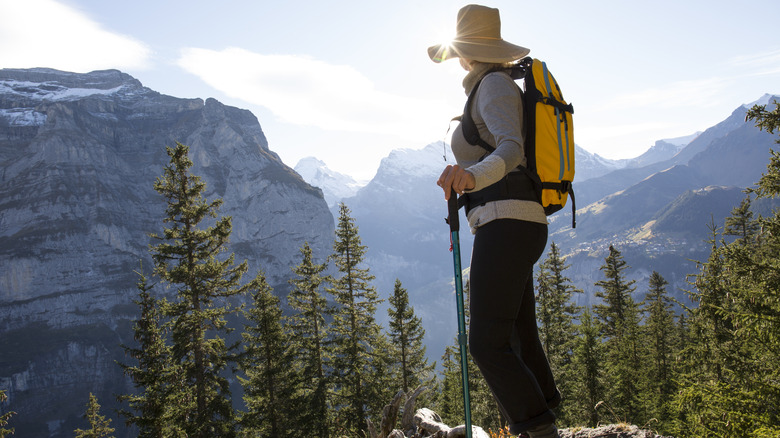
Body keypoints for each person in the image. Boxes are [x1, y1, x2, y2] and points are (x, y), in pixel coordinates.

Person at [429, 5, 561, 438]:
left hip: (508, 222)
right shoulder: (490, 85)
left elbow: (511, 151)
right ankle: (546, 418)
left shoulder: (494, 85)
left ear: (467, 52)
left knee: (486, 344)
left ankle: (537, 430)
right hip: (513, 223)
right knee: (519, 334)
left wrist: (471, 174)